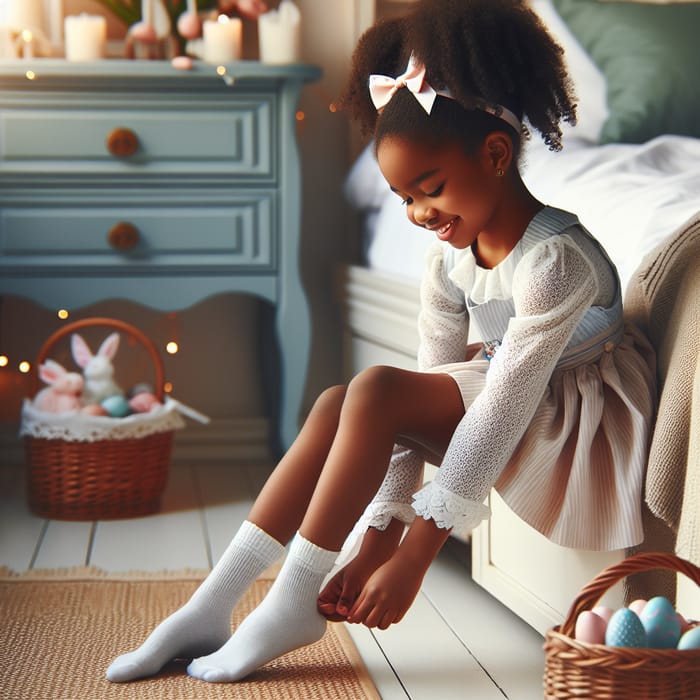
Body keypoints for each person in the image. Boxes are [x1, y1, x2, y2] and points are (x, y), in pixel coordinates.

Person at [107, 0, 656, 684]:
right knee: (346, 399)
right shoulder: (446, 260)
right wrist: (377, 536)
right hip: (507, 400)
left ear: (495, 153)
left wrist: (413, 555)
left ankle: (288, 603)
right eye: (404, 199)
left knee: (368, 390)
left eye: (431, 189)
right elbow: (416, 403)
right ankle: (213, 603)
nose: (423, 215)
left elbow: (500, 407)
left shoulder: (557, 260)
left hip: (574, 423)